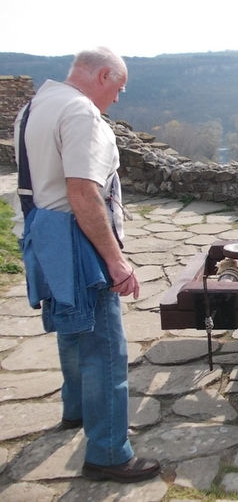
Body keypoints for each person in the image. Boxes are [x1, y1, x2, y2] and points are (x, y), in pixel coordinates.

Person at [13, 47, 160, 483]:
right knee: (105, 350)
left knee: (72, 332)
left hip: (44, 232)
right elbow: (83, 193)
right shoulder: (81, 115)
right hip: (78, 241)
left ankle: (75, 412)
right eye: (119, 89)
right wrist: (116, 262)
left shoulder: (35, 105)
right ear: (102, 76)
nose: (117, 99)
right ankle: (109, 453)